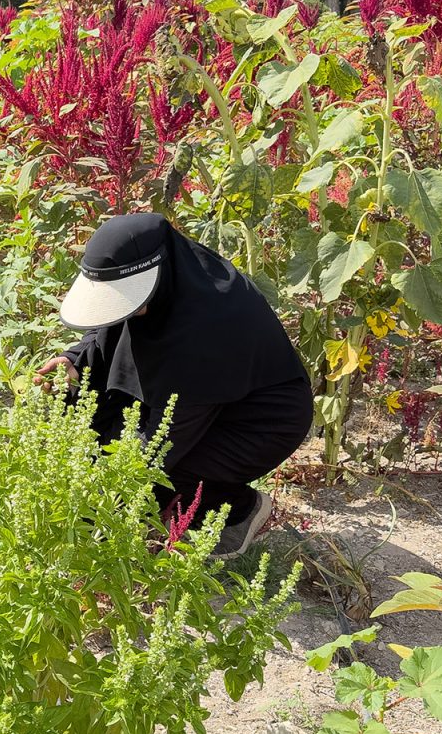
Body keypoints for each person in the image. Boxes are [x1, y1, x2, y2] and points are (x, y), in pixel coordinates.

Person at [37, 212, 312, 557]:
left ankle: (237, 510)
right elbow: (106, 331)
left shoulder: (209, 325)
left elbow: (166, 439)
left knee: (161, 476)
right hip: (189, 393)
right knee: (85, 417)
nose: (122, 309)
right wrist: (74, 359)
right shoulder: (169, 283)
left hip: (257, 421)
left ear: (157, 274)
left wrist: (100, 503)